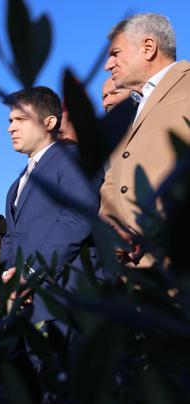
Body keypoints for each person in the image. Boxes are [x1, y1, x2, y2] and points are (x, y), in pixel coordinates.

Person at [1, 87, 99, 326]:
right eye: (10, 120)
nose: (10, 127)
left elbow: (77, 219)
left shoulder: (72, 159)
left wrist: (31, 274)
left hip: (65, 299)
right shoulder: (17, 183)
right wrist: (10, 276)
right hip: (28, 306)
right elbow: (11, 237)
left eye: (21, 119)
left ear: (49, 122)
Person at [100, 13, 190, 267]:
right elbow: (113, 179)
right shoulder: (131, 108)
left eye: (115, 53)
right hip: (136, 271)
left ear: (148, 48)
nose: (108, 64)